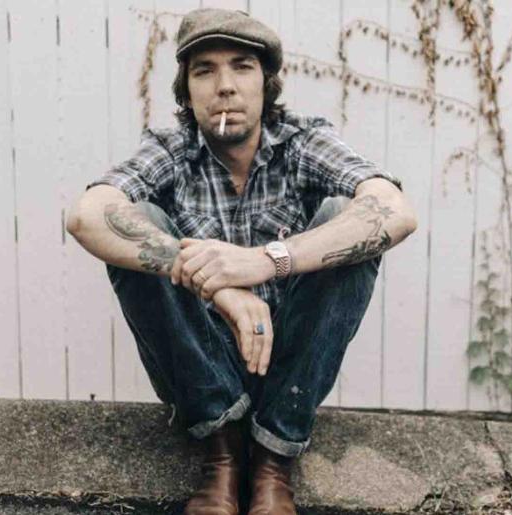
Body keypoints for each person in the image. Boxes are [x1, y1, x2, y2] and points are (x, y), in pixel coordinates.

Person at [67, 8, 417, 515]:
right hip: (200, 366)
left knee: (350, 219)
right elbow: (87, 215)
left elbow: (395, 212)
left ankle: (274, 459)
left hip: (290, 363)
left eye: (241, 66)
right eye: (204, 70)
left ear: (266, 84)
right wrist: (222, 288)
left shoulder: (301, 142)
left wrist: (264, 261)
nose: (224, 86)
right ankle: (222, 455)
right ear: (186, 90)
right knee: (134, 221)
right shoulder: (172, 148)